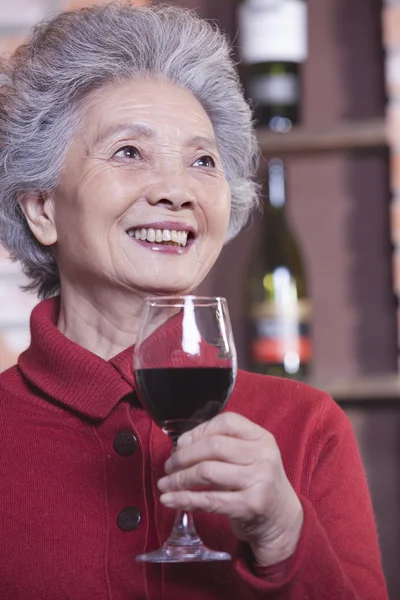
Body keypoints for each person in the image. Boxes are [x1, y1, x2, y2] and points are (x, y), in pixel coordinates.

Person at [0, 3, 387, 599]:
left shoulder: (307, 428)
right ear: (42, 209)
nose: (178, 192)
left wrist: (284, 534)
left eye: (202, 161)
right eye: (129, 152)